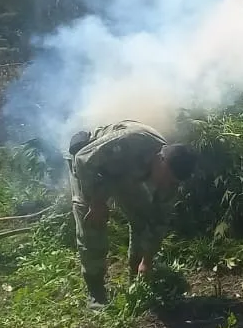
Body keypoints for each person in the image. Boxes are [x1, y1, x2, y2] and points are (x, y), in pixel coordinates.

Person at [65, 120, 197, 309]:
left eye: (173, 182)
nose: (167, 184)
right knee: (92, 223)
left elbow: (159, 220)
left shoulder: (170, 181)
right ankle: (96, 292)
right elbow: (82, 159)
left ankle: (136, 279)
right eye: (167, 178)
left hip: (125, 173)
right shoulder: (132, 141)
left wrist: (147, 261)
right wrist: (97, 202)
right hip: (91, 167)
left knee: (143, 218)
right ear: (160, 159)